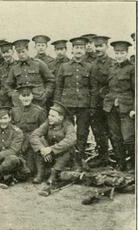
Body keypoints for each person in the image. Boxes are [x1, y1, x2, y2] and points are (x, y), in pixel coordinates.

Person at [54, 36, 97, 171]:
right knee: (68, 132)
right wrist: (57, 106)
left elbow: (93, 88)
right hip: (67, 105)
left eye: (81, 48)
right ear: (72, 50)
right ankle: (68, 158)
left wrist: (92, 105)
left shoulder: (90, 67)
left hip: (84, 104)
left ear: (85, 50)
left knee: (82, 132)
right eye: (76, 48)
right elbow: (59, 87)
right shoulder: (64, 66)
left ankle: (79, 158)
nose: (79, 50)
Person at [103, 40, 135, 172]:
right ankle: (120, 163)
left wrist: (134, 109)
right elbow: (106, 87)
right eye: (117, 53)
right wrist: (107, 98)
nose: (119, 55)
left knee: (128, 137)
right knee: (115, 136)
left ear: (127, 53)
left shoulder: (132, 68)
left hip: (126, 109)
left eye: (122, 53)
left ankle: (133, 163)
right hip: (111, 108)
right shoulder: (112, 68)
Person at [29, 101, 77, 184]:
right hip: (49, 154)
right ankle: (40, 173)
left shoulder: (68, 125)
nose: (49, 117)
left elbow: (71, 140)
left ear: (61, 117)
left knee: (68, 150)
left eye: (53, 116)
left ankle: (54, 174)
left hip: (62, 155)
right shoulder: (48, 123)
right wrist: (42, 149)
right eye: (49, 115)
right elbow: (34, 135)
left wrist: (51, 149)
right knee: (38, 143)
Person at [87, 35, 115, 168]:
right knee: (98, 131)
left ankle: (119, 158)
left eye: (100, 46)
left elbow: (114, 85)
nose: (98, 49)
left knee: (113, 131)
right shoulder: (93, 65)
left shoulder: (113, 63)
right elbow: (92, 87)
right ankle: (103, 157)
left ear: (106, 47)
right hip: (96, 104)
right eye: (96, 46)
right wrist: (92, 105)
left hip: (109, 103)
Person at [11, 85, 47, 182]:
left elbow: (44, 130)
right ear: (19, 97)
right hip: (20, 143)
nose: (26, 98)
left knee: (36, 144)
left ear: (32, 96)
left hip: (33, 145)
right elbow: (12, 128)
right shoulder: (14, 111)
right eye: (23, 95)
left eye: (28, 95)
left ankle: (40, 173)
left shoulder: (39, 111)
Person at [5, 39, 55, 108]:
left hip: (38, 100)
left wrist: (46, 94)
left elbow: (50, 80)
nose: (21, 54)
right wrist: (13, 95)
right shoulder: (14, 68)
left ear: (27, 50)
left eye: (23, 51)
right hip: (21, 102)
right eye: (19, 52)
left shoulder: (38, 63)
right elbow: (8, 85)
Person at [0, 41, 18, 106]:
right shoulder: (0, 69)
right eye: (3, 53)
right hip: (4, 100)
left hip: (16, 98)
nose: (6, 55)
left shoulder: (18, 65)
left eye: (8, 52)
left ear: (12, 52)